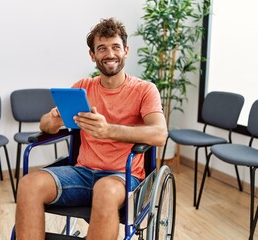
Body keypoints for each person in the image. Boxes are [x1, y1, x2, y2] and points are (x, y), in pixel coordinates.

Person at [15, 17, 167, 240]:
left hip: (123, 176)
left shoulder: (145, 90)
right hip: (82, 173)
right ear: (92, 55)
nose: (110, 54)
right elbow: (45, 125)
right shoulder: (82, 88)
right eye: (102, 48)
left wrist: (108, 130)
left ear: (126, 50)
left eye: (116, 47)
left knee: (105, 190)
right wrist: (55, 120)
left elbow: (159, 134)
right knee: (29, 185)